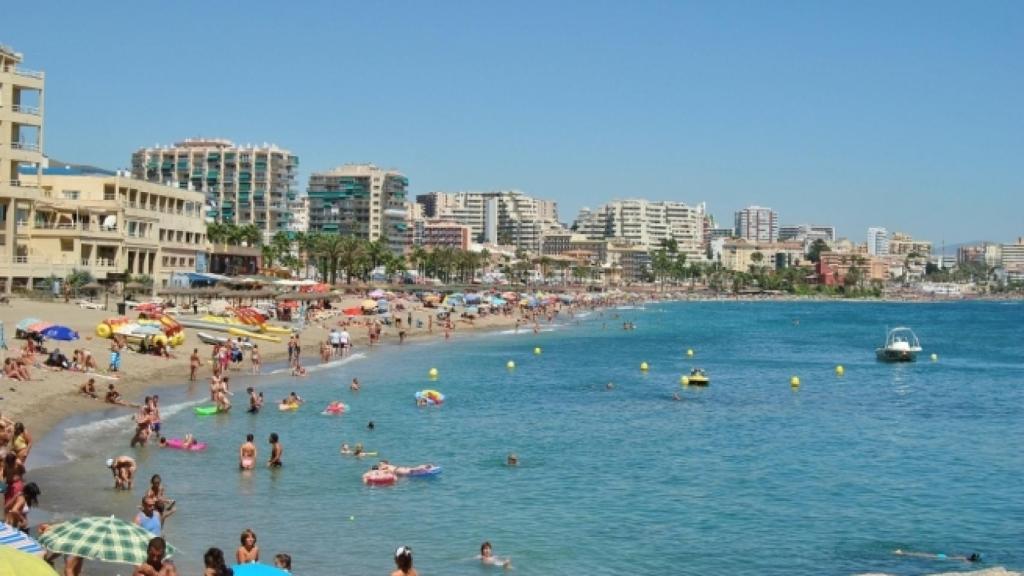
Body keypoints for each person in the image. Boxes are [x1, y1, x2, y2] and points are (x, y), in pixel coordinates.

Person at [893, 549, 982, 562]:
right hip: (944, 557)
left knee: (923, 555)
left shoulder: (963, 559)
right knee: (924, 555)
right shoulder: (963, 558)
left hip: (943, 557)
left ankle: (969, 559)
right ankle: (969, 559)